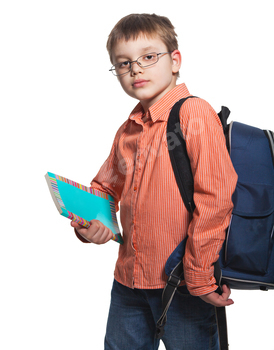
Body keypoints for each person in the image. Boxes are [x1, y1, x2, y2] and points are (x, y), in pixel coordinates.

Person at [71, 13, 238, 350]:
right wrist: (91, 225)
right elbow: (106, 188)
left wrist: (200, 275)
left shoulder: (194, 113)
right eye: (123, 63)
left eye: (149, 57)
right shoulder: (128, 128)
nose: (136, 69)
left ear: (175, 60)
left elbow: (216, 197)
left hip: (183, 283)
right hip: (129, 283)